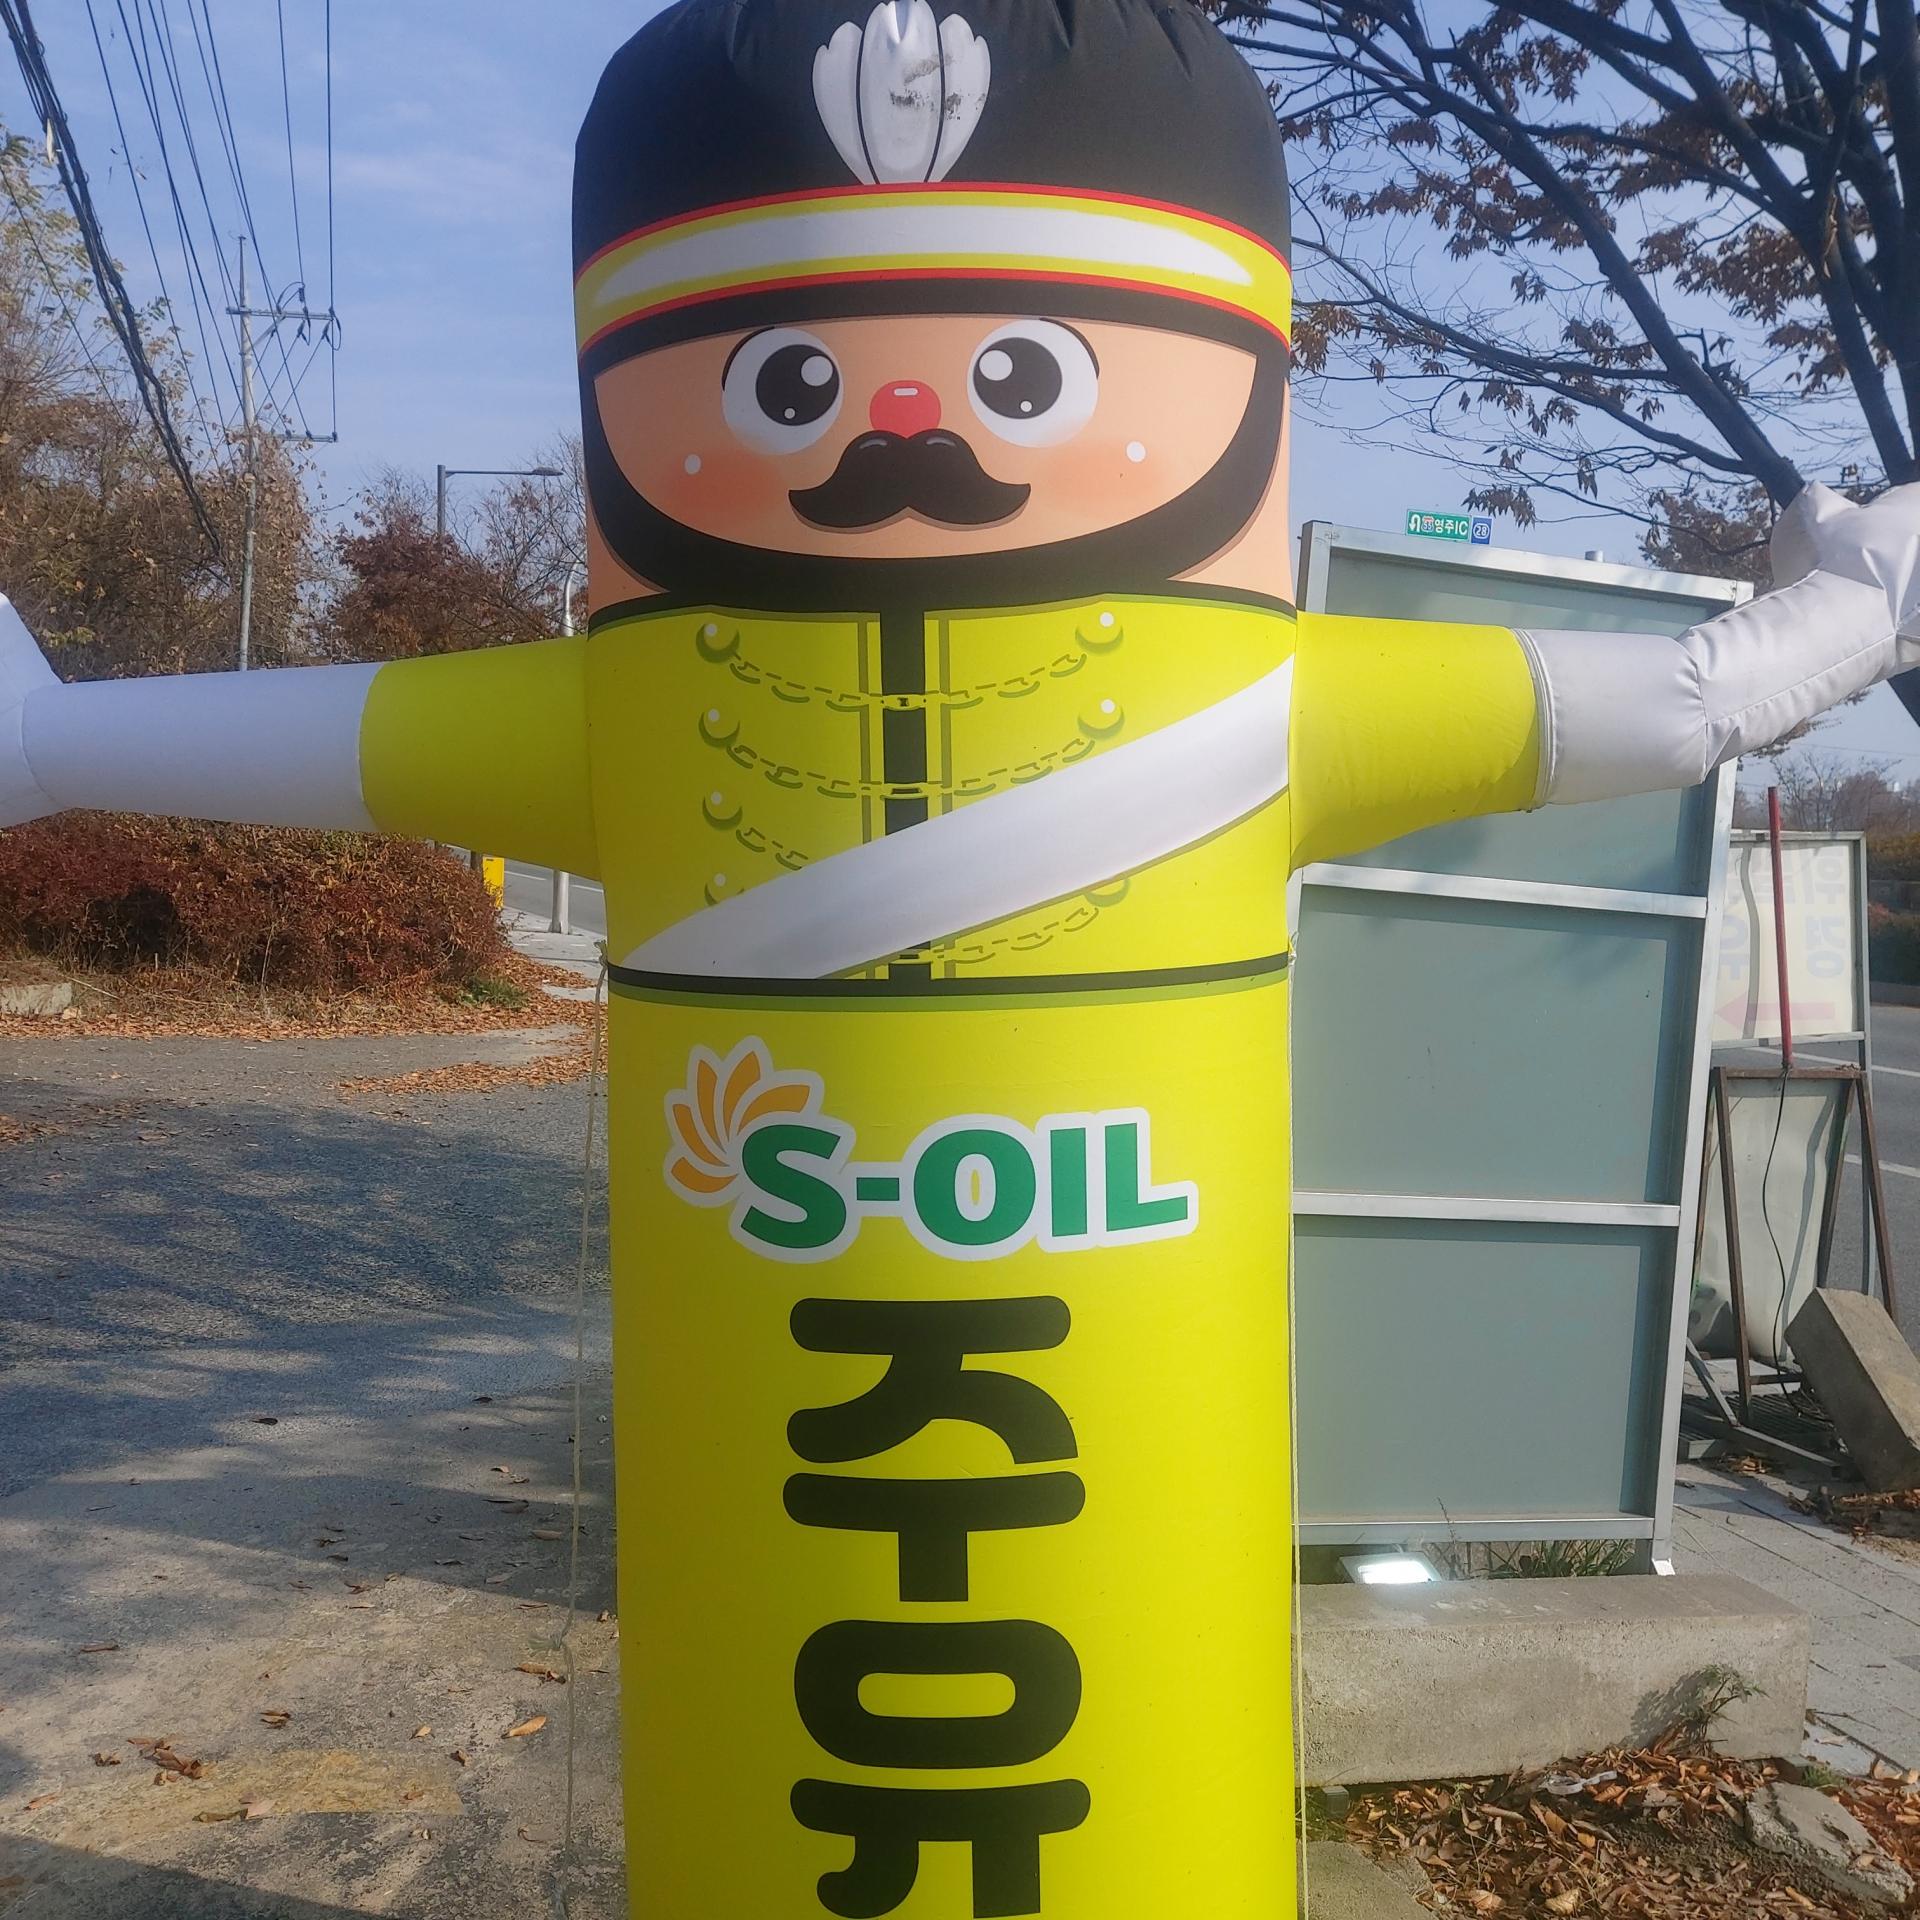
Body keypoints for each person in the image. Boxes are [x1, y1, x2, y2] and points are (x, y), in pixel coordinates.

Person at [3, 1, 1918, 1912]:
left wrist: (45, 743)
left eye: (1020, 371)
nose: (898, 426)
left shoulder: (1231, 690)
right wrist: (1858, 595)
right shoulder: (717, 703)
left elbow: (1678, 706)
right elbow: (1697, 696)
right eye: (785, 383)